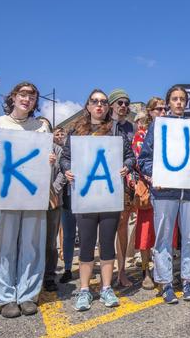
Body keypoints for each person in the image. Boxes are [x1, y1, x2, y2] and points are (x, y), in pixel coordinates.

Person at [0, 82, 55, 318]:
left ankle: (28, 293)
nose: (27, 98)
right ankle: (4, 296)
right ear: (13, 97)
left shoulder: (41, 126)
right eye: (23, 94)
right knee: (4, 245)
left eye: (32, 95)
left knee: (32, 244)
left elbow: (46, 160)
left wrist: (50, 159)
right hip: (6, 194)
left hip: (34, 194)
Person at [61, 89, 135, 311]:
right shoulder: (77, 131)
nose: (100, 105)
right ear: (88, 106)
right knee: (85, 244)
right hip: (85, 196)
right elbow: (66, 158)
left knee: (106, 244)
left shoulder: (115, 132)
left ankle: (106, 287)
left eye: (103, 102)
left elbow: (130, 156)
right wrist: (67, 170)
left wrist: (126, 166)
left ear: (107, 107)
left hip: (109, 196)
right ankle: (84, 290)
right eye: (95, 101)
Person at [138, 85, 190, 304]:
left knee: (189, 237)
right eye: (174, 99)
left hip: (189, 190)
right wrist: (155, 176)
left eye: (182, 99)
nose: (178, 102)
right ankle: (166, 282)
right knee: (163, 238)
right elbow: (144, 159)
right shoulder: (158, 127)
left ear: (186, 103)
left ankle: (187, 279)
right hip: (164, 192)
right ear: (168, 102)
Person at [132, 97, 165, 290]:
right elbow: (138, 161)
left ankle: (162, 269)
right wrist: (153, 177)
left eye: (164, 109)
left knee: (165, 231)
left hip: (168, 188)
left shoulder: (171, 132)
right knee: (146, 232)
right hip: (149, 187)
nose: (162, 112)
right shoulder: (141, 134)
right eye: (158, 109)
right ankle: (146, 271)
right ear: (150, 112)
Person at [109, 88, 136, 287]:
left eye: (126, 103)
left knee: (122, 227)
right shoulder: (102, 126)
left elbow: (134, 155)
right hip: (102, 183)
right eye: (120, 102)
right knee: (106, 228)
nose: (124, 106)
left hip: (124, 183)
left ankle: (122, 271)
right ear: (111, 105)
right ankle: (107, 271)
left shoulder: (131, 128)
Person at [42, 123, 67, 292]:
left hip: (52, 200)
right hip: (29, 200)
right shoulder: (27, 145)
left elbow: (63, 171)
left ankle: (49, 276)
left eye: (45, 129)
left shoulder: (57, 150)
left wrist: (53, 190)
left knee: (50, 241)